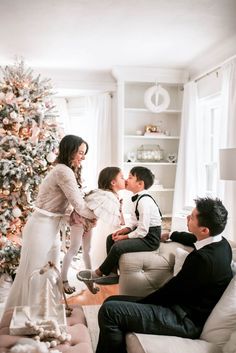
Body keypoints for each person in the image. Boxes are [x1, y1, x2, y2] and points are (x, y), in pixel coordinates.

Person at [95, 197, 233, 353]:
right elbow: (192, 238)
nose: (188, 217)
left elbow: (171, 291)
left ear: (204, 230)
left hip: (184, 320)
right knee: (111, 301)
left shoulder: (203, 260)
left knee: (110, 311)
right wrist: (172, 234)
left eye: (192, 217)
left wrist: (141, 304)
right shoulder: (222, 244)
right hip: (181, 309)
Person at [4, 134, 96, 311]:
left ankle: (46, 311)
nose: (83, 157)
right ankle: (23, 314)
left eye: (85, 154)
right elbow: (79, 204)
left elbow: (69, 206)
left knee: (50, 272)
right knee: (33, 272)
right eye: (81, 153)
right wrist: (99, 213)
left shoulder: (64, 170)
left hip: (52, 227)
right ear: (70, 151)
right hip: (41, 226)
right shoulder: (63, 171)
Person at [77, 166, 162, 293]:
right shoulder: (136, 199)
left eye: (130, 177)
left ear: (140, 184)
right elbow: (134, 224)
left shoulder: (145, 201)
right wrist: (123, 230)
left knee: (118, 246)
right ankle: (112, 274)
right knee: (110, 238)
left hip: (150, 239)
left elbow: (143, 230)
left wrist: (124, 237)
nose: (126, 180)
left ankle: (98, 273)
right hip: (143, 233)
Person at [61, 166, 126, 294]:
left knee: (87, 251)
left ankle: (89, 280)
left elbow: (120, 220)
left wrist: (120, 207)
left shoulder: (113, 197)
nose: (124, 179)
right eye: (122, 177)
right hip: (79, 219)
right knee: (74, 249)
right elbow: (119, 221)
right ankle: (63, 280)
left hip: (89, 222)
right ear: (113, 182)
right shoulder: (105, 196)